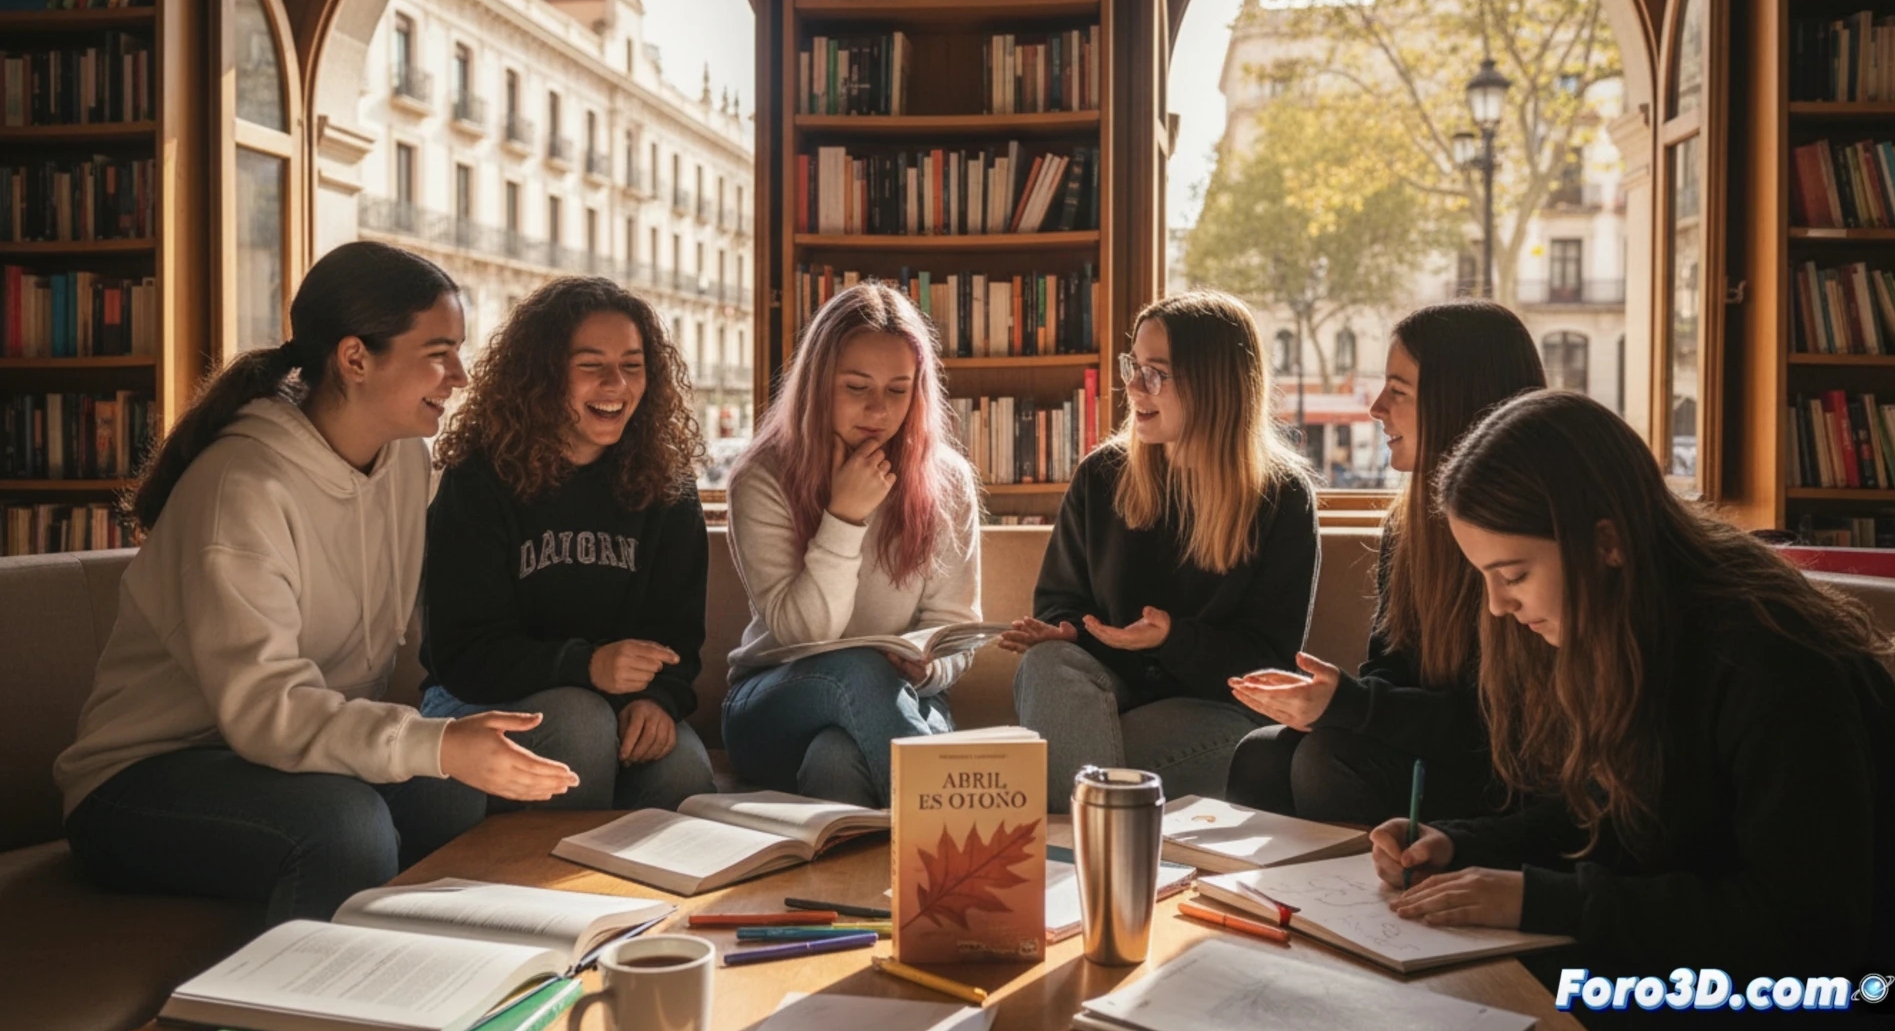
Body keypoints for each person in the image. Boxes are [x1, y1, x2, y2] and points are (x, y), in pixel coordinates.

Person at [55, 241, 578, 923]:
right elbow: (266, 711)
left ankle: (442, 969)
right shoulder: (241, 488)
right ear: (355, 358)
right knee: (347, 823)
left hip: (282, 761)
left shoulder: (404, 462)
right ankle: (308, 1009)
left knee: (448, 792)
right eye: (439, 352)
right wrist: (437, 741)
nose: (459, 375)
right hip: (142, 781)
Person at [1371, 390, 1895, 1028]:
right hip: (1702, 965)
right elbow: (1616, 811)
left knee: (1472, 999)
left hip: (1836, 995)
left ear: (1606, 543)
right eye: (1486, 578)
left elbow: (1805, 931)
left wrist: (1549, 902)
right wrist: (1458, 846)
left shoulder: (1776, 663)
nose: (1497, 607)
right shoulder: (1630, 624)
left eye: (1513, 575)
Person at [1225, 300, 1544, 824]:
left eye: (1398, 391)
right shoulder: (1410, 525)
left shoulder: (1527, 539)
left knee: (1327, 763)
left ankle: (1356, 903)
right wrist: (1329, 703)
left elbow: (1495, 726)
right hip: (1434, 746)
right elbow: (1391, 667)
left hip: (1501, 770)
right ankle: (1279, 903)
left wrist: (1354, 707)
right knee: (1261, 754)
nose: (1375, 407)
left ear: (1456, 402)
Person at [1002, 290, 1319, 812]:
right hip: (1102, 694)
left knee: (1076, 762)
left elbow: (1268, 663)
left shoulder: (1280, 496)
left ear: (1213, 385)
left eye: (1155, 373)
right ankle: (1099, 854)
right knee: (1044, 665)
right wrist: (1066, 631)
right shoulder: (1102, 477)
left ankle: (1070, 860)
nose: (1132, 386)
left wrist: (1171, 639)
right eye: (1134, 365)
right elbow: (1059, 601)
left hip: (1217, 710)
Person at [420, 277, 716, 811]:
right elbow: (460, 654)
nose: (615, 384)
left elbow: (676, 636)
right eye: (590, 364)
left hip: (614, 701)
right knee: (580, 723)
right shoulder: (479, 480)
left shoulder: (668, 484)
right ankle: (554, 893)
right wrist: (586, 667)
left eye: (632, 365)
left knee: (683, 771)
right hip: (475, 698)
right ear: (542, 376)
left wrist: (658, 699)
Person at [721, 283, 981, 807]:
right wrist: (844, 516)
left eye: (898, 390)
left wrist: (930, 667)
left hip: (900, 701)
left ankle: (853, 887)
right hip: (771, 701)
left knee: (836, 762)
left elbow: (957, 627)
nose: (878, 410)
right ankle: (956, 839)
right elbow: (804, 632)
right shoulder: (763, 476)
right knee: (859, 668)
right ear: (819, 384)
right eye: (856, 387)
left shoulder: (946, 481)